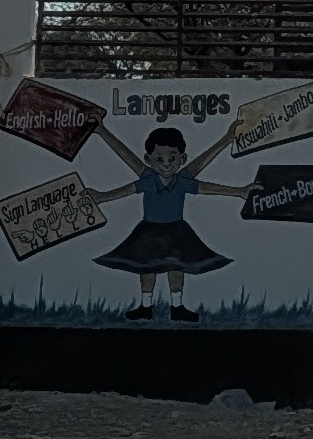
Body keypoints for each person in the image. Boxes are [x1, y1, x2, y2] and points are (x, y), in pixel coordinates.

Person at [86, 124, 253, 322]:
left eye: (172, 158)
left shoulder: (182, 181)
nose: (166, 163)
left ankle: (177, 306)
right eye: (159, 158)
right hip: (149, 231)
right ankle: (146, 306)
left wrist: (239, 191)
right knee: (146, 268)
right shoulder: (148, 178)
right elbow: (126, 158)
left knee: (176, 268)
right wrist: (103, 196)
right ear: (149, 160)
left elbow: (206, 184)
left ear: (182, 159)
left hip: (177, 231)